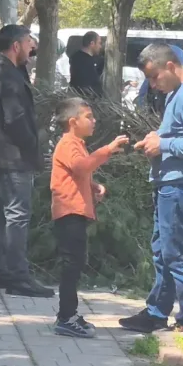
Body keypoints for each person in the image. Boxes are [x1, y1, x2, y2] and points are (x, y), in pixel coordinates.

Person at [121, 43, 183, 335]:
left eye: (154, 77)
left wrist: (163, 144)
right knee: (164, 252)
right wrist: (158, 137)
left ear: (171, 67)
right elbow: (182, 133)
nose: (152, 84)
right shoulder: (179, 91)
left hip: (182, 188)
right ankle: (156, 313)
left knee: (180, 256)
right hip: (171, 186)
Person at [0, 25, 52, 297]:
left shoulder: (4, 70)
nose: (32, 47)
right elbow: (15, 119)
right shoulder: (4, 73)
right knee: (16, 216)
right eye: (29, 43)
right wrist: (33, 145)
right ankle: (17, 277)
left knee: (1, 215)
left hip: (1, 155)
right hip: (11, 156)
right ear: (16, 45)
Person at [49, 99, 129, 338]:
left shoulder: (77, 143)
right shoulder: (68, 144)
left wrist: (93, 186)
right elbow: (81, 167)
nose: (93, 121)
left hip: (77, 211)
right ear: (73, 122)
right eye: (89, 116)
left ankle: (69, 313)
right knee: (71, 265)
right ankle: (66, 317)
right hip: (69, 212)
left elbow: (77, 174)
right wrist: (107, 149)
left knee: (76, 263)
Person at [69, 31, 104, 96]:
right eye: (99, 43)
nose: (100, 46)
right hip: (85, 100)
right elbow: (84, 85)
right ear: (92, 43)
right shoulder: (80, 60)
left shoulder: (92, 59)